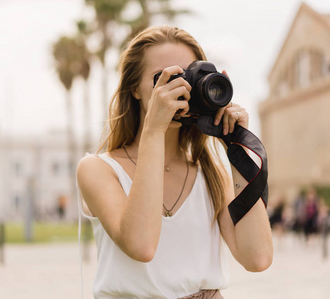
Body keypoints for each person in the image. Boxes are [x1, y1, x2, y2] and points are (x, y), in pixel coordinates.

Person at [77, 25, 273, 299]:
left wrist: (238, 145)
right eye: (166, 78)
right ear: (134, 88)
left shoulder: (211, 174)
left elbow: (258, 258)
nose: (180, 89)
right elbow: (141, 245)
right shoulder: (98, 169)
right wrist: (154, 130)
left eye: (187, 78)